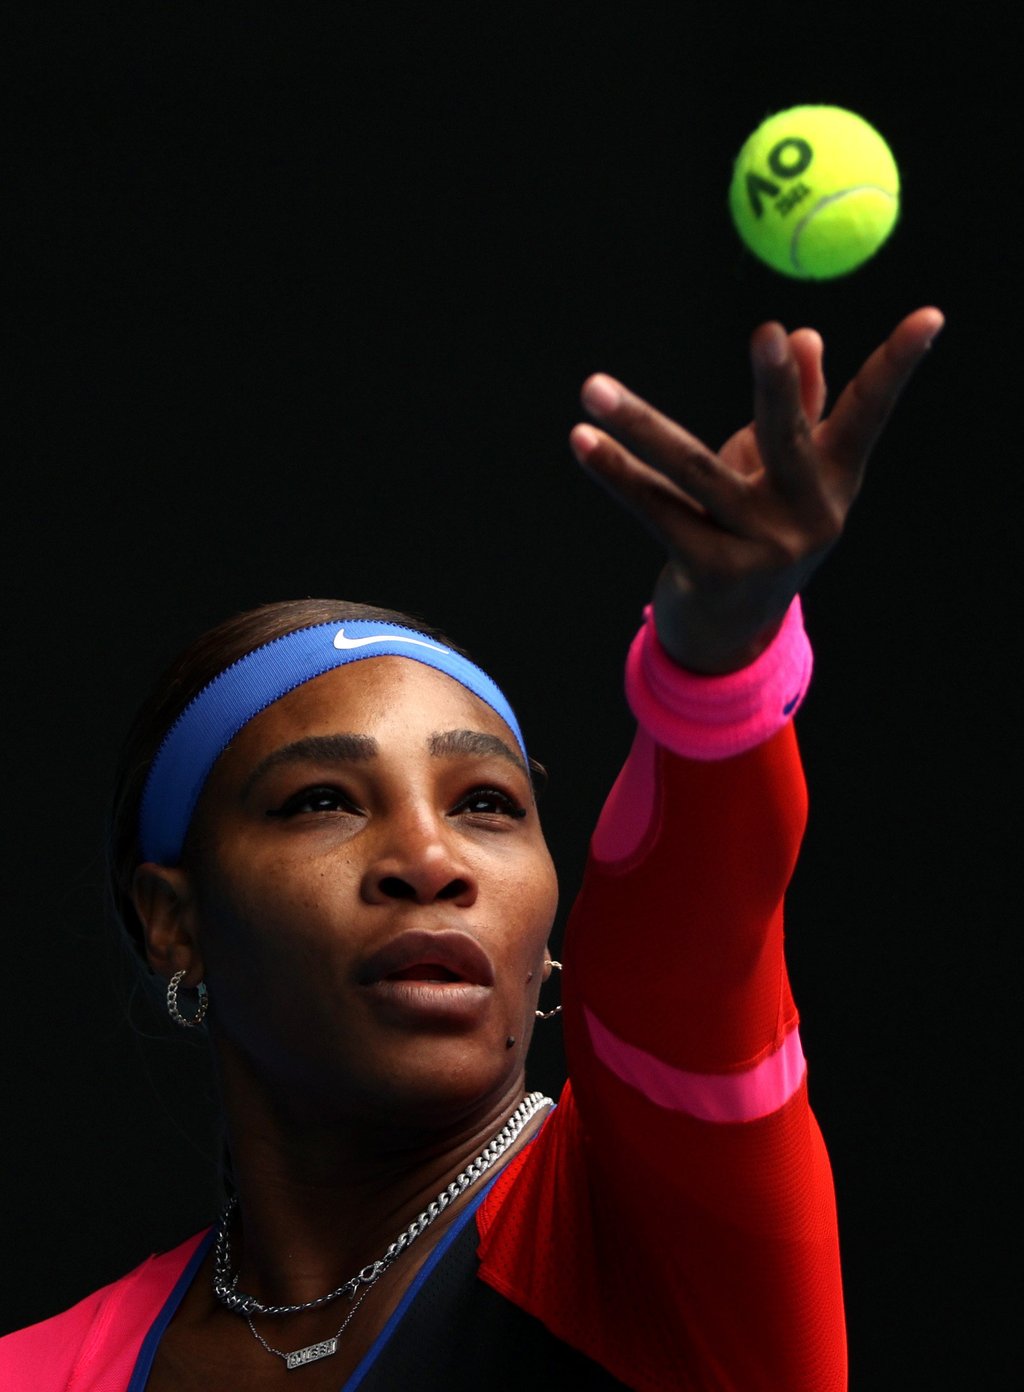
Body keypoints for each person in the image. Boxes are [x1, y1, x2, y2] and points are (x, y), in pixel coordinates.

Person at [0, 307, 943, 1391]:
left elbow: (690, 948)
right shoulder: (38, 1371)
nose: (429, 858)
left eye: (487, 805)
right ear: (175, 921)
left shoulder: (655, 1243)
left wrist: (718, 661)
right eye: (321, 801)